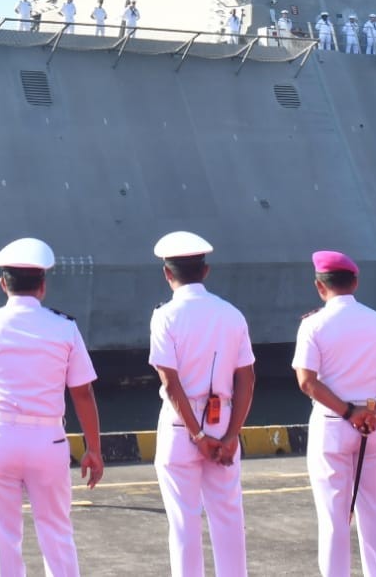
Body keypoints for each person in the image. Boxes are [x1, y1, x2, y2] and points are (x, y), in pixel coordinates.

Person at [0, 237, 103, 577]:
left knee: (2, 539)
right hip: (48, 440)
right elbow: (82, 393)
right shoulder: (64, 327)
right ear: (43, 286)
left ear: (3, 284)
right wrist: (93, 448)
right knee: (57, 535)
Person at [292, 250, 376, 577]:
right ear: (355, 282)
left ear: (320, 286)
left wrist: (348, 412)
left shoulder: (313, 325)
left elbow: (306, 381)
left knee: (334, 520)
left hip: (333, 425)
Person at [148, 231, 255, 577]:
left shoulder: (164, 317)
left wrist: (196, 435)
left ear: (167, 273)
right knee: (228, 517)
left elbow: (170, 381)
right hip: (223, 420)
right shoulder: (233, 315)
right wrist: (231, 435)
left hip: (181, 426)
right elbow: (247, 379)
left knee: (183, 521)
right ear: (205, 271)